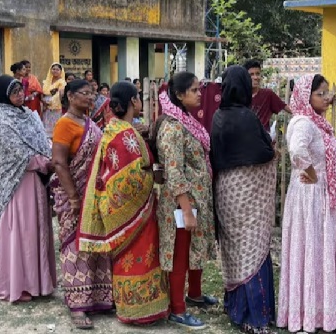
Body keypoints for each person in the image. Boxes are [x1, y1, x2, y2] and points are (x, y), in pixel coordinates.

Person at [79, 81, 170, 325]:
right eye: (138, 97)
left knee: (128, 257)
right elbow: (131, 180)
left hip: (116, 208)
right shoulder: (125, 135)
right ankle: (140, 310)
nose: (140, 100)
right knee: (140, 255)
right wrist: (154, 176)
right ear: (132, 102)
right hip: (132, 210)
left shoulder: (115, 128)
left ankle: (132, 307)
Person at [277, 74, 336, 333]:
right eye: (320, 93)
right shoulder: (303, 122)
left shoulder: (317, 123)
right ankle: (306, 315)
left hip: (322, 194)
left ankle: (323, 313)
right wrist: (311, 173)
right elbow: (297, 150)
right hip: (311, 195)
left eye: (326, 92)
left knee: (321, 251)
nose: (326, 97)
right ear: (305, 97)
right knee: (310, 249)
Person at [211, 65, 278, 334]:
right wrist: (272, 149)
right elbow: (264, 153)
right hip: (251, 195)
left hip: (226, 192)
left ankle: (236, 307)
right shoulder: (248, 117)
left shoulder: (217, 116)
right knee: (254, 248)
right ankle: (255, 317)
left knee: (235, 249)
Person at [155, 71, 217, 330]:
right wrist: (187, 209)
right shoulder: (171, 127)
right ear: (179, 95)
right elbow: (174, 170)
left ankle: (195, 294)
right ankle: (178, 310)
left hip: (196, 199)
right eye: (193, 90)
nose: (199, 94)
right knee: (180, 254)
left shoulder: (186, 121)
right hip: (180, 203)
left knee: (195, 248)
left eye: (199, 89)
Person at [51, 79, 113, 329]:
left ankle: (99, 297)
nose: (90, 98)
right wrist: (74, 197)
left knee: (96, 243)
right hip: (73, 196)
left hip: (94, 195)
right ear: (70, 96)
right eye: (85, 94)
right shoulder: (64, 124)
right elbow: (58, 162)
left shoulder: (89, 123)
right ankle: (78, 304)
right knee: (74, 247)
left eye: (92, 93)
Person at [0, 75, 56, 302]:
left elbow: (43, 141)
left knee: (38, 230)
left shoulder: (29, 115)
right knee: (23, 232)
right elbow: (19, 156)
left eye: (20, 90)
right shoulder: (1, 121)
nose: (19, 94)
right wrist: (50, 162)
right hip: (18, 182)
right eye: (14, 91)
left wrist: (50, 156)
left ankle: (40, 283)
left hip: (37, 181)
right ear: (2, 96)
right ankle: (20, 285)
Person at [243, 60, 290, 131]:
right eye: (251, 74)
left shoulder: (267, 94)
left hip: (263, 139)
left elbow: (287, 108)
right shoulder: (239, 96)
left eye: (258, 74)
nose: (255, 77)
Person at [42, 63, 66, 137]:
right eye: (53, 69)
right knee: (46, 122)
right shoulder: (46, 81)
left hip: (55, 104)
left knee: (55, 123)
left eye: (57, 69)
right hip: (45, 105)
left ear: (60, 71)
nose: (55, 71)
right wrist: (43, 101)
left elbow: (60, 93)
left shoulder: (61, 82)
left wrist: (50, 102)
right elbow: (42, 92)